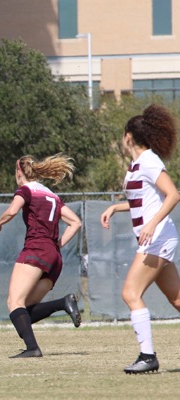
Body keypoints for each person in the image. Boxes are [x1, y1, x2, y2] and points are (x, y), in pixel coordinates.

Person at [100, 104, 180, 374]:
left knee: (130, 293)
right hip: (158, 240)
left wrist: (152, 224)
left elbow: (173, 195)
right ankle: (148, 356)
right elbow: (143, 202)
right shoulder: (136, 166)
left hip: (157, 239)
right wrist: (115, 207)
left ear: (128, 137)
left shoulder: (148, 160)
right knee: (178, 300)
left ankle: (148, 356)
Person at [0, 154, 82, 358]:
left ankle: (32, 349)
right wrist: (57, 245)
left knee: (14, 302)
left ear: (19, 172)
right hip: (54, 258)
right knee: (24, 308)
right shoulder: (52, 196)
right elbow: (76, 222)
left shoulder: (26, 190)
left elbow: (13, 210)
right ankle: (63, 303)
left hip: (36, 250)